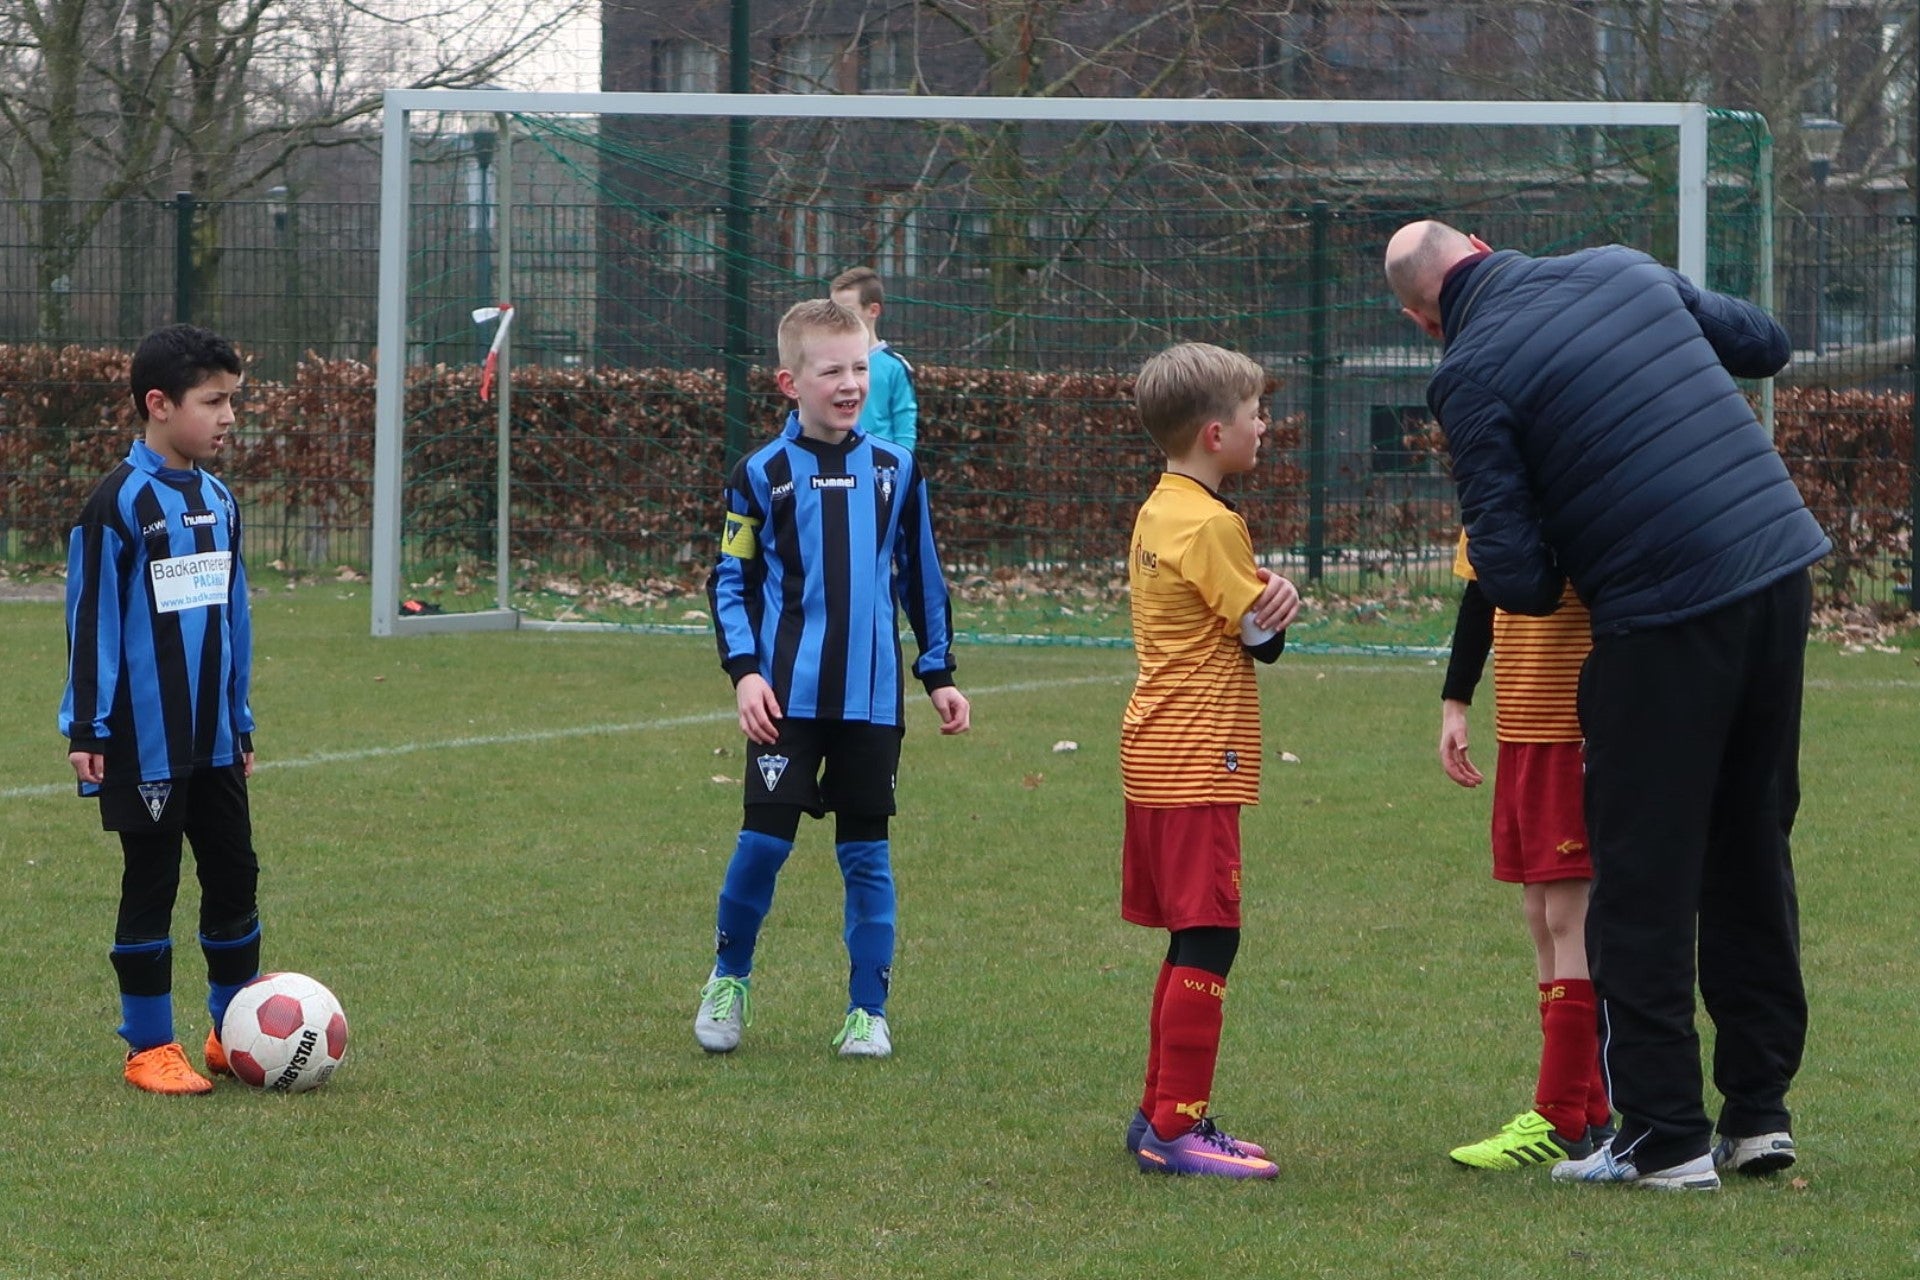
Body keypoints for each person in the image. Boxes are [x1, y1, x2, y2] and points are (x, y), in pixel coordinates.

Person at [1385, 221, 1829, 1191]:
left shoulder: (1468, 373)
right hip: (1777, 566)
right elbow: (1764, 343)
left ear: (1425, 321)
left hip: (1662, 610)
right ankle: (1758, 1114)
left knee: (1638, 873)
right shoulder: (1621, 268)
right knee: (1751, 843)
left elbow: (1514, 576)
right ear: (1483, 244)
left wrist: (1575, 524)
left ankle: (1664, 1136)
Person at [694, 298, 969, 1060]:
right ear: (791, 382)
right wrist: (745, 674)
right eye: (832, 371)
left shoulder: (895, 470)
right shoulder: (760, 474)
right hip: (786, 698)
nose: (850, 384)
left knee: (866, 856)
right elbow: (730, 582)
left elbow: (922, 577)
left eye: (859, 368)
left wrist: (938, 672)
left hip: (872, 701)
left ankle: (866, 1012)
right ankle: (728, 978)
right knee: (762, 844)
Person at [60, 323, 264, 1096]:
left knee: (235, 874)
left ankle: (230, 1030)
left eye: (232, 400)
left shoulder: (219, 500)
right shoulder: (115, 504)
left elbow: (233, 618)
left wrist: (239, 719)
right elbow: (91, 623)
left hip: (213, 738)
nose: (228, 416)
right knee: (152, 881)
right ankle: (149, 1046)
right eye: (213, 401)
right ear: (159, 404)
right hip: (141, 740)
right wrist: (88, 727)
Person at [1120, 342, 1300, 1179]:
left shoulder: (1159, 507)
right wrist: (1280, 603)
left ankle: (1158, 1112)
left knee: (1190, 933)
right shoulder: (1214, 522)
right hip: (1197, 756)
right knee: (1211, 935)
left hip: (1154, 751)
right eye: (1255, 414)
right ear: (1215, 434)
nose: (1265, 426)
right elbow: (1258, 636)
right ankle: (1175, 1130)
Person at [1438, 533, 1612, 1170]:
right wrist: (1456, 703)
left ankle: (1559, 1116)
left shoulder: (1578, 493)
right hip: (1521, 731)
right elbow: (1478, 597)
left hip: (1573, 733)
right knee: (1540, 915)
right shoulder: (1496, 498)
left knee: (1570, 916)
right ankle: (1590, 1110)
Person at [830, 266, 918, 451]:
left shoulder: (894, 366)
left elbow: (905, 428)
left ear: (873, 310)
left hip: (878, 462)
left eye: (847, 311)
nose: (838, 318)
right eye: (833, 311)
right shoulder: (825, 362)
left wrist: (901, 463)